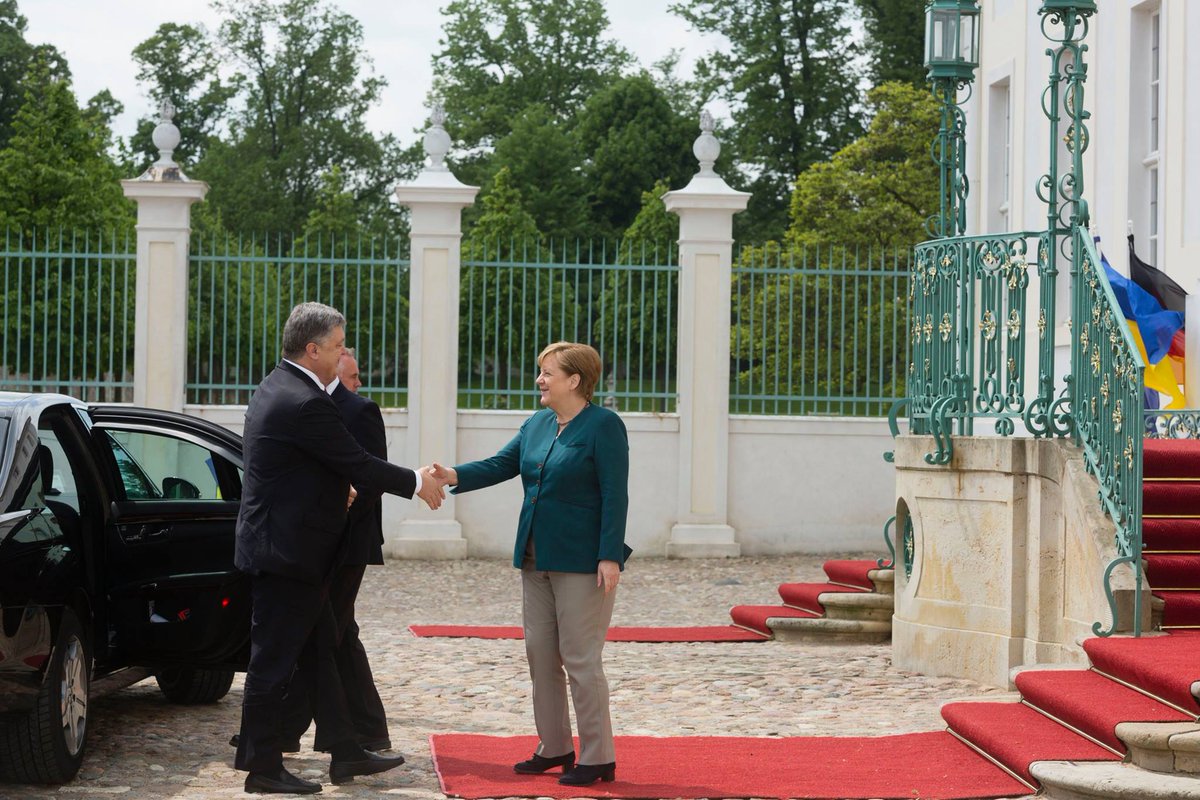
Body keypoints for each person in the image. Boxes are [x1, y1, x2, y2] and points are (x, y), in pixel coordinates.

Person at [234, 302, 443, 795]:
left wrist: (333, 491)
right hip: (287, 553)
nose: (342, 354)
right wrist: (417, 481)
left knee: (320, 651)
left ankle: (345, 751)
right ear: (312, 350)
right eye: (337, 346)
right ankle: (262, 768)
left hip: (293, 550)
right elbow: (357, 462)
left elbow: (306, 467)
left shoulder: (276, 386)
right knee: (272, 663)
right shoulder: (304, 400)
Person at [430, 341, 630, 787]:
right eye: (541, 371)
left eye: (547, 373)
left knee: (580, 659)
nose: (539, 380)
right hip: (535, 557)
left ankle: (598, 756)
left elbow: (615, 494)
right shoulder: (537, 423)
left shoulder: (604, 426)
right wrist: (453, 475)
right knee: (541, 655)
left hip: (582, 561)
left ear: (574, 380)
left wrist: (610, 555)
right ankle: (554, 746)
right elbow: (502, 464)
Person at [278, 349, 392, 753]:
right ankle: (367, 727)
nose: (359, 384)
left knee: (325, 635)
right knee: (337, 634)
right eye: (353, 376)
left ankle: (285, 729)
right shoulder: (306, 405)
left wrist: (335, 515)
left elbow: (372, 477)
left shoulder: (361, 410)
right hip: (315, 542)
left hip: (349, 542)